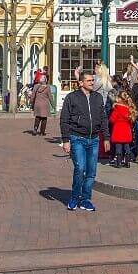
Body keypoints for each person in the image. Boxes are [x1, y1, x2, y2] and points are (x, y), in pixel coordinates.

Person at [59, 68, 108, 211]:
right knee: (80, 168)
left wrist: (106, 137)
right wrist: (66, 140)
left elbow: (103, 118)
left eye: (93, 80)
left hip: (94, 139)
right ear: (81, 83)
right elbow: (64, 119)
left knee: (91, 172)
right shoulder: (72, 97)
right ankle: (75, 197)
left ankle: (85, 199)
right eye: (89, 80)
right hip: (77, 138)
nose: (92, 82)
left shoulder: (97, 97)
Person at [109, 88, 137, 168]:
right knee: (127, 146)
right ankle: (127, 162)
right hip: (126, 130)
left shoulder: (116, 109)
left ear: (119, 99)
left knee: (118, 146)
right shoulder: (129, 109)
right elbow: (131, 121)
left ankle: (119, 162)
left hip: (118, 130)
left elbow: (112, 119)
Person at [30, 70, 54, 136]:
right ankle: (42, 132)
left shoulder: (36, 86)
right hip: (45, 105)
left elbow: (33, 96)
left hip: (37, 104)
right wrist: (53, 105)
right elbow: (50, 97)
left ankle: (35, 129)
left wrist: (31, 102)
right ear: (45, 80)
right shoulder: (47, 87)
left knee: (37, 117)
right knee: (44, 118)